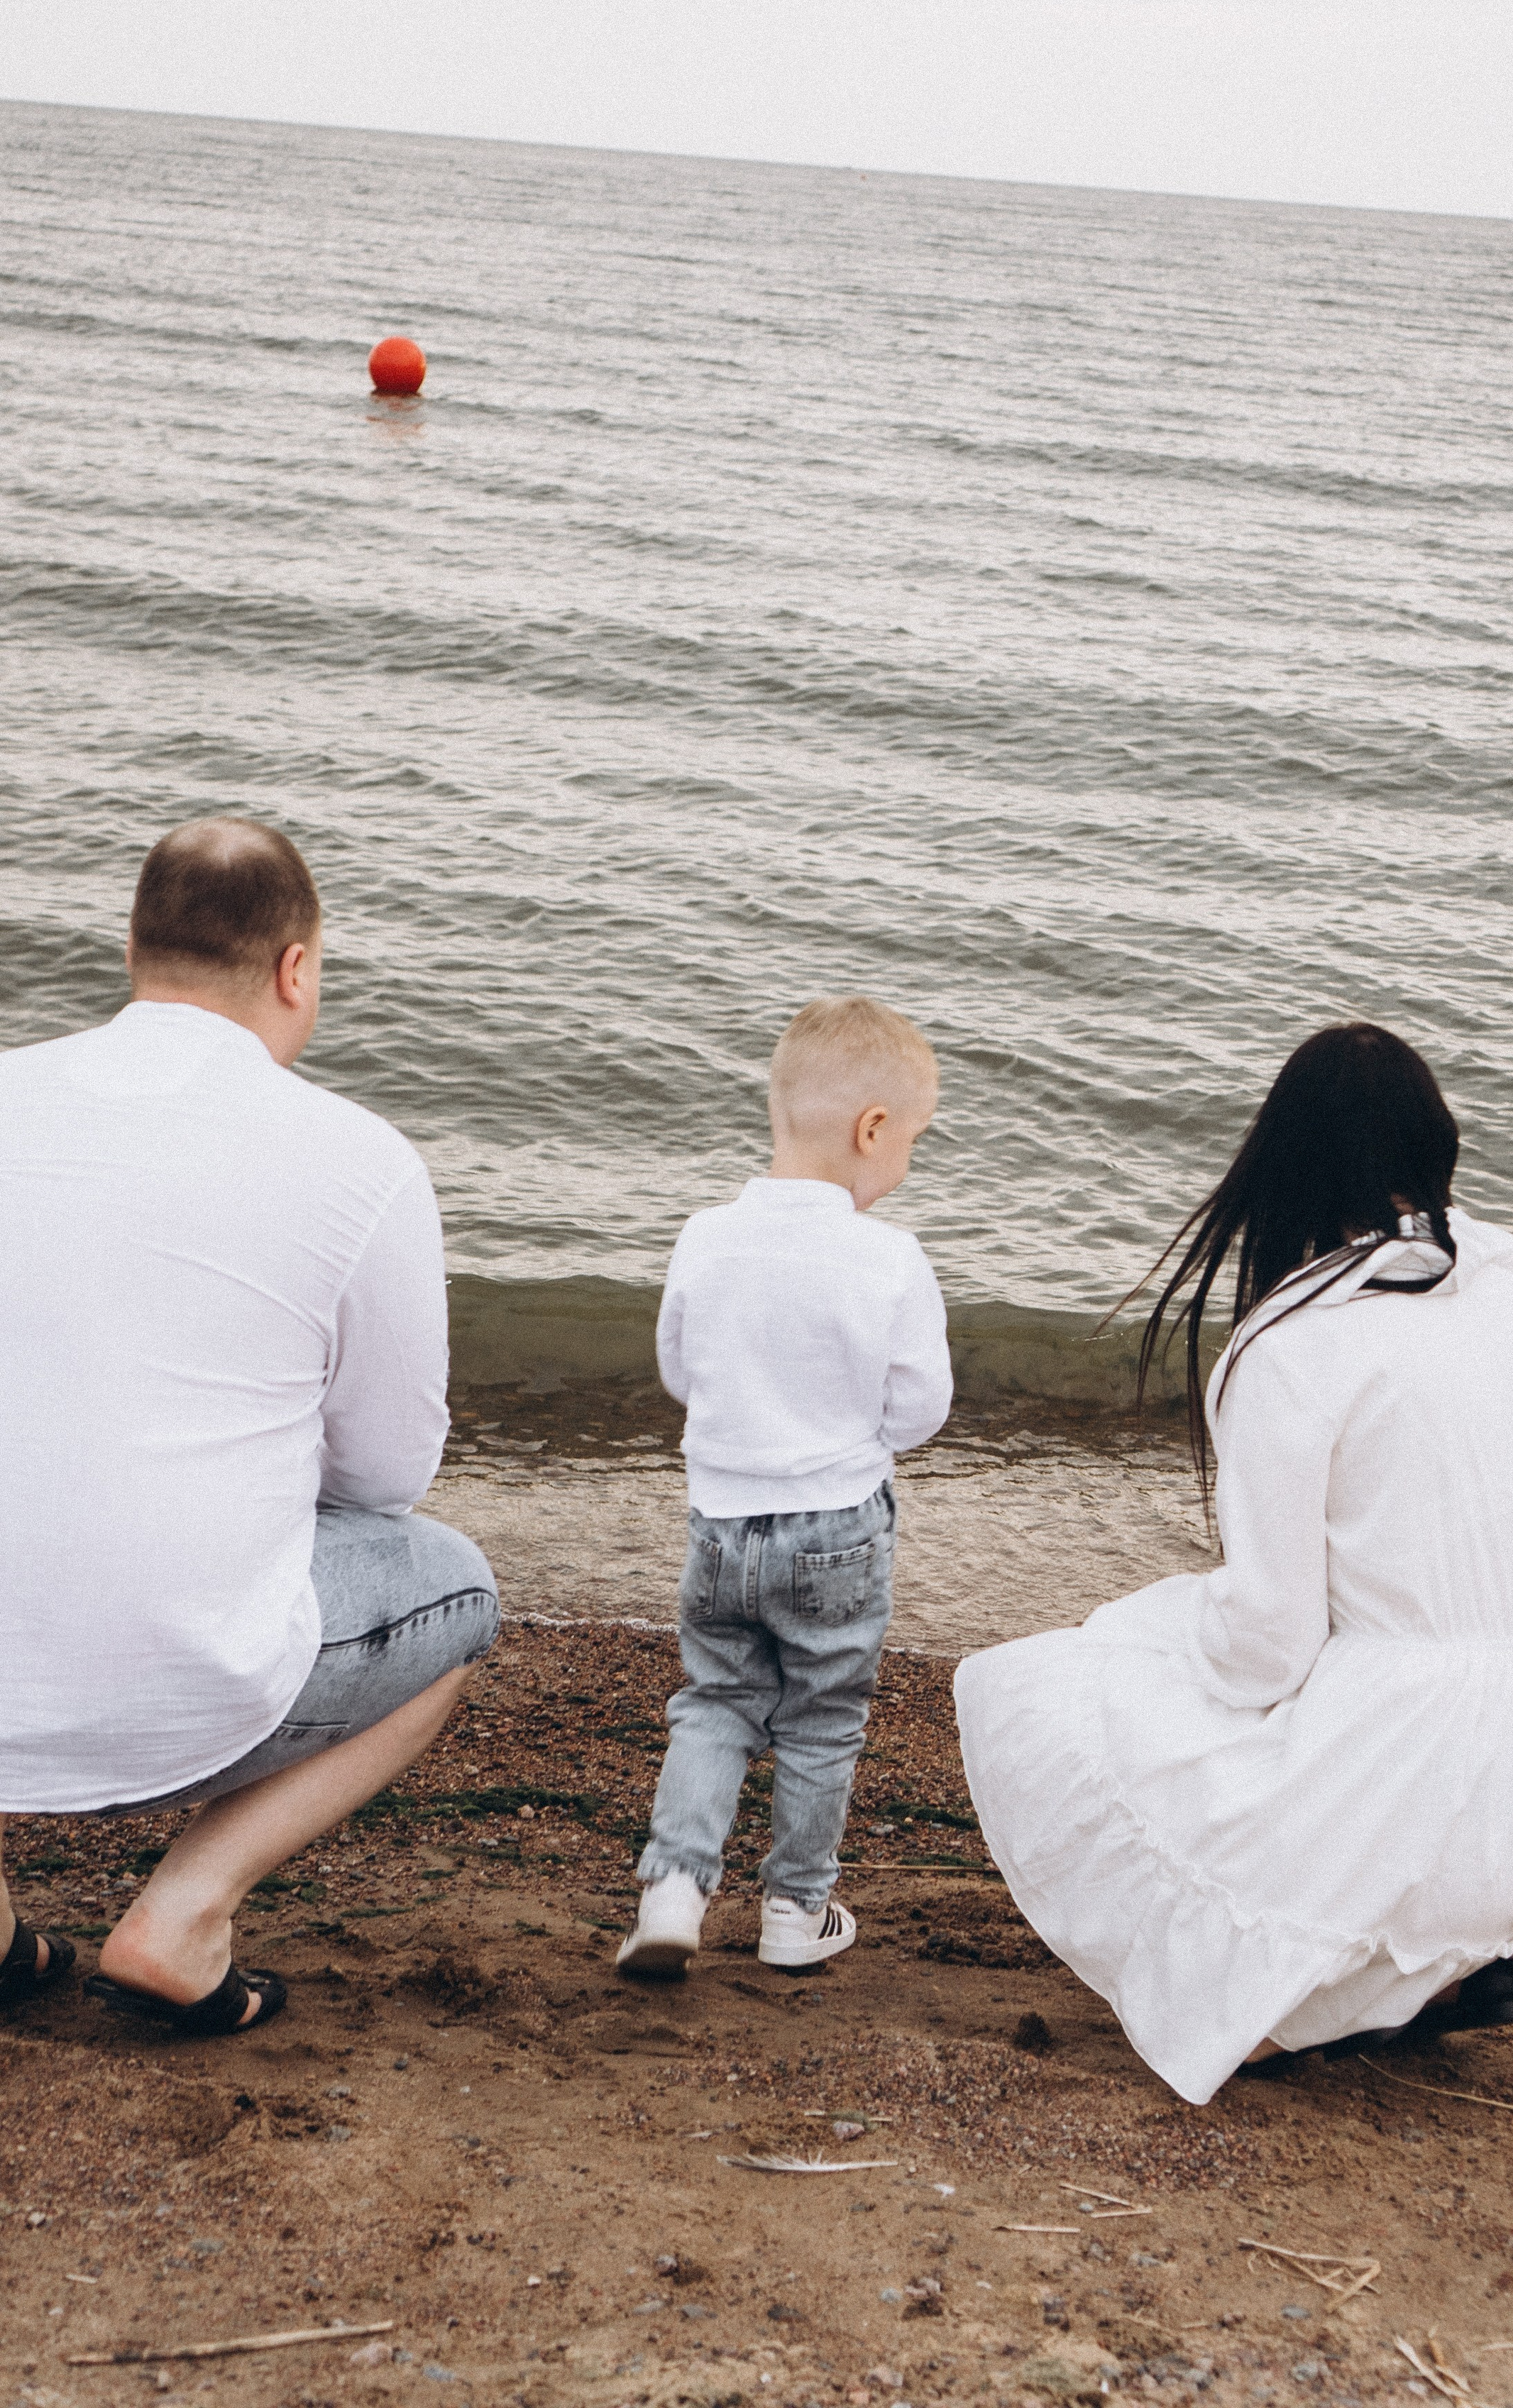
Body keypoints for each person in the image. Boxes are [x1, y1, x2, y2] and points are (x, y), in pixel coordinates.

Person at [954, 1024, 1513, 2104]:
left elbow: (1267, 1648)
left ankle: (1328, 1991)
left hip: (1418, 1782)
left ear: (1283, 1164)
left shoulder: (1295, 1345)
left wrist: (1167, 1642)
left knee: (1054, 1683)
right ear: (1436, 1150)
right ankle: (1442, 1963)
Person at [0, 819, 498, 2038]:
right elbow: (387, 1473)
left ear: (133, 950)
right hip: (190, 1688)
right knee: (455, 1592)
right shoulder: (360, 1159)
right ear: (297, 968)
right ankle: (185, 1912)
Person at [618, 996, 952, 1979]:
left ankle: (674, 1891)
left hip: (721, 1525)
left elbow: (682, 1373)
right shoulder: (888, 1257)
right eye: (914, 1142)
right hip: (839, 1529)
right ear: (872, 1129)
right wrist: (858, 1435)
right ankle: (795, 1914)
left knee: (716, 1702)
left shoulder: (704, 1236)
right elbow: (920, 1408)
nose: (907, 1163)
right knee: (820, 1718)